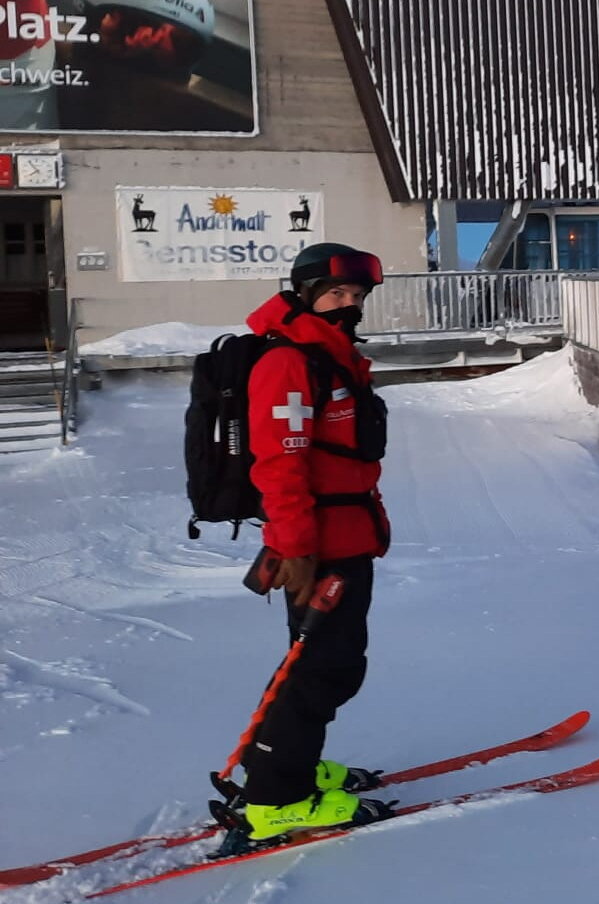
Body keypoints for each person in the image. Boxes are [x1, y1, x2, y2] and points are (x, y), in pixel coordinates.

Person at [237, 242, 394, 840]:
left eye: (356, 297)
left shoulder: (333, 358)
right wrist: (295, 548)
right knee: (324, 668)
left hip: (347, 535)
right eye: (335, 295)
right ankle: (277, 800)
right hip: (317, 546)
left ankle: (278, 762)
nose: (348, 306)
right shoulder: (290, 362)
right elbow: (279, 462)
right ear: (305, 295)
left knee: (319, 663)